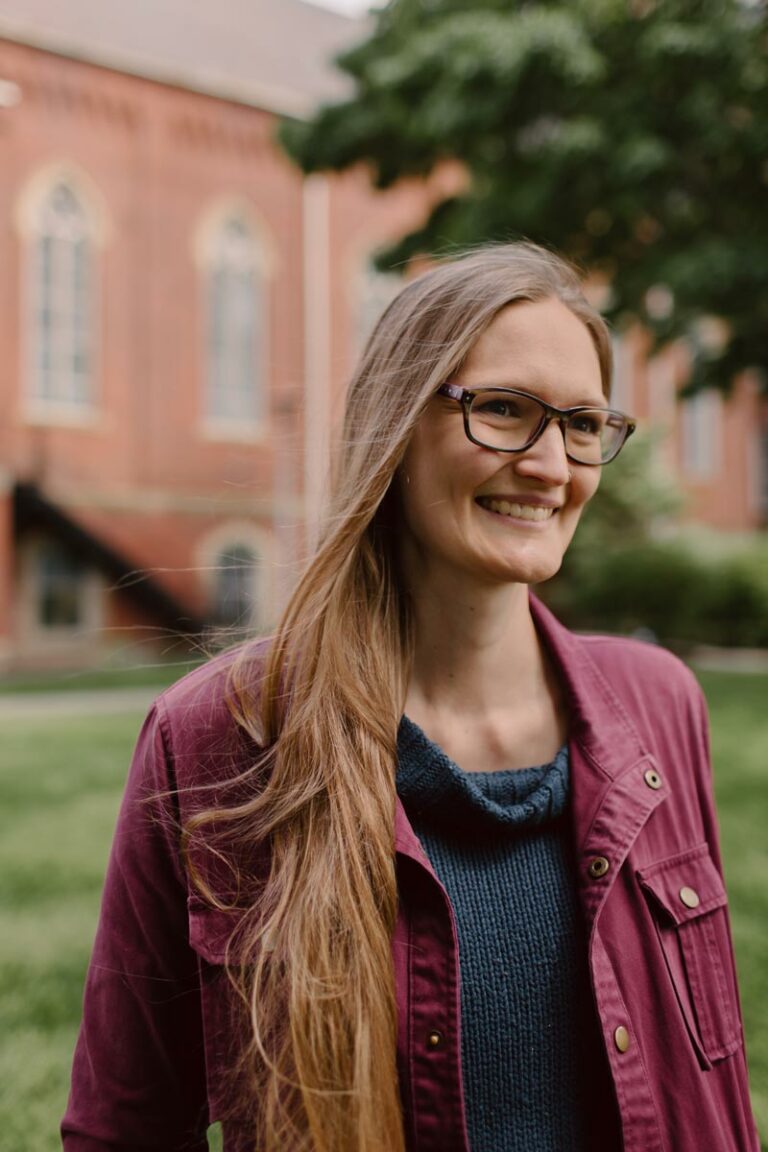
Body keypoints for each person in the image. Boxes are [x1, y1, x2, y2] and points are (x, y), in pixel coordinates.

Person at [62, 242, 759, 1152]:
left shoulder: (660, 705)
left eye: (584, 424)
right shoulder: (216, 736)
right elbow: (126, 1126)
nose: (552, 464)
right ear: (396, 425)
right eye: (503, 410)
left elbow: (718, 1095)